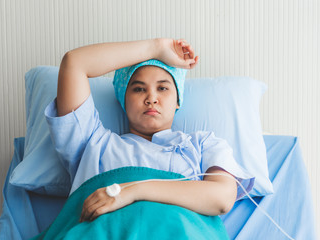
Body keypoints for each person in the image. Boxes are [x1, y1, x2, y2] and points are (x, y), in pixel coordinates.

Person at [44, 38, 255, 223]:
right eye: (138, 89)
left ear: (178, 100)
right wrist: (155, 48)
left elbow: (222, 198)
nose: (151, 98)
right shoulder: (93, 143)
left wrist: (133, 191)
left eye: (162, 88)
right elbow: (75, 63)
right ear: (123, 100)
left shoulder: (203, 144)